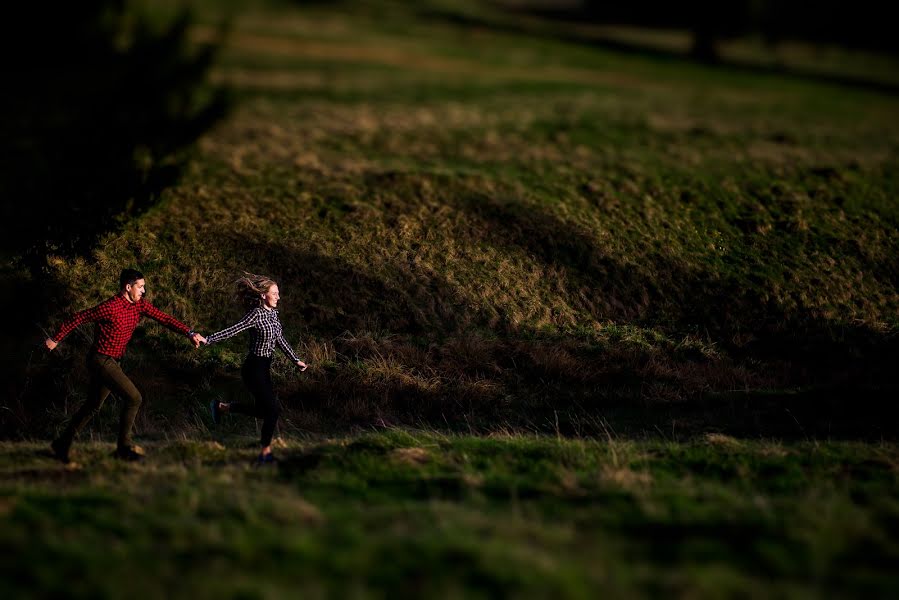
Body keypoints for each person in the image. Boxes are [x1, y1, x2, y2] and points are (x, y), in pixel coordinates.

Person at [45, 268, 206, 463]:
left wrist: (189, 333)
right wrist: (56, 339)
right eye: (140, 287)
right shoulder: (110, 307)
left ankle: (61, 444)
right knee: (134, 398)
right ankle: (124, 448)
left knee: (93, 405)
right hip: (100, 360)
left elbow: (164, 318)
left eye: (144, 287)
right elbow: (79, 317)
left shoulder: (139, 306)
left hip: (113, 361)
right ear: (128, 287)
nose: (143, 291)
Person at [204, 273, 307, 465]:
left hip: (265, 367)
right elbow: (233, 329)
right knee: (273, 410)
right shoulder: (256, 314)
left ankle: (221, 407)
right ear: (263, 295)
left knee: (263, 411)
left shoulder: (273, 314)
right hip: (253, 368)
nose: (278, 297)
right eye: (274, 293)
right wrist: (208, 339)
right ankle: (265, 453)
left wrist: (295, 360)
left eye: (278, 293)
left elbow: (280, 340)